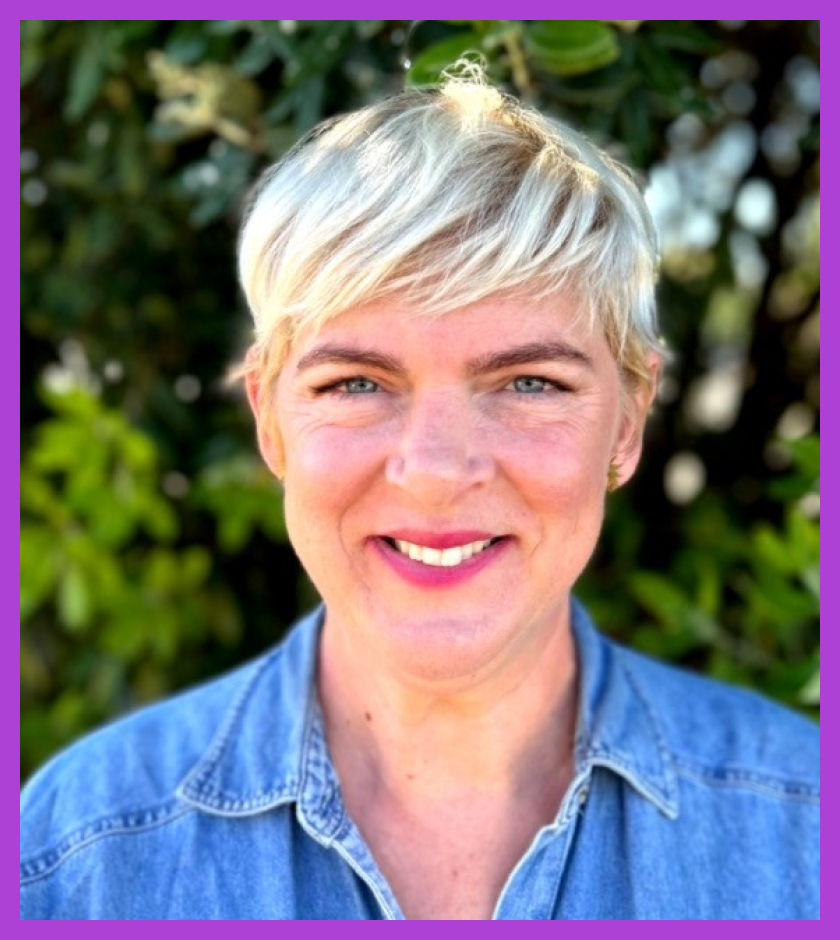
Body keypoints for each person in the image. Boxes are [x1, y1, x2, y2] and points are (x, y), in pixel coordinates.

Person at [20, 71, 819, 920]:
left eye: (530, 383)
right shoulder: (76, 859)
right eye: (357, 383)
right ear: (269, 420)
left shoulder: (806, 832)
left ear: (627, 424)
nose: (436, 470)